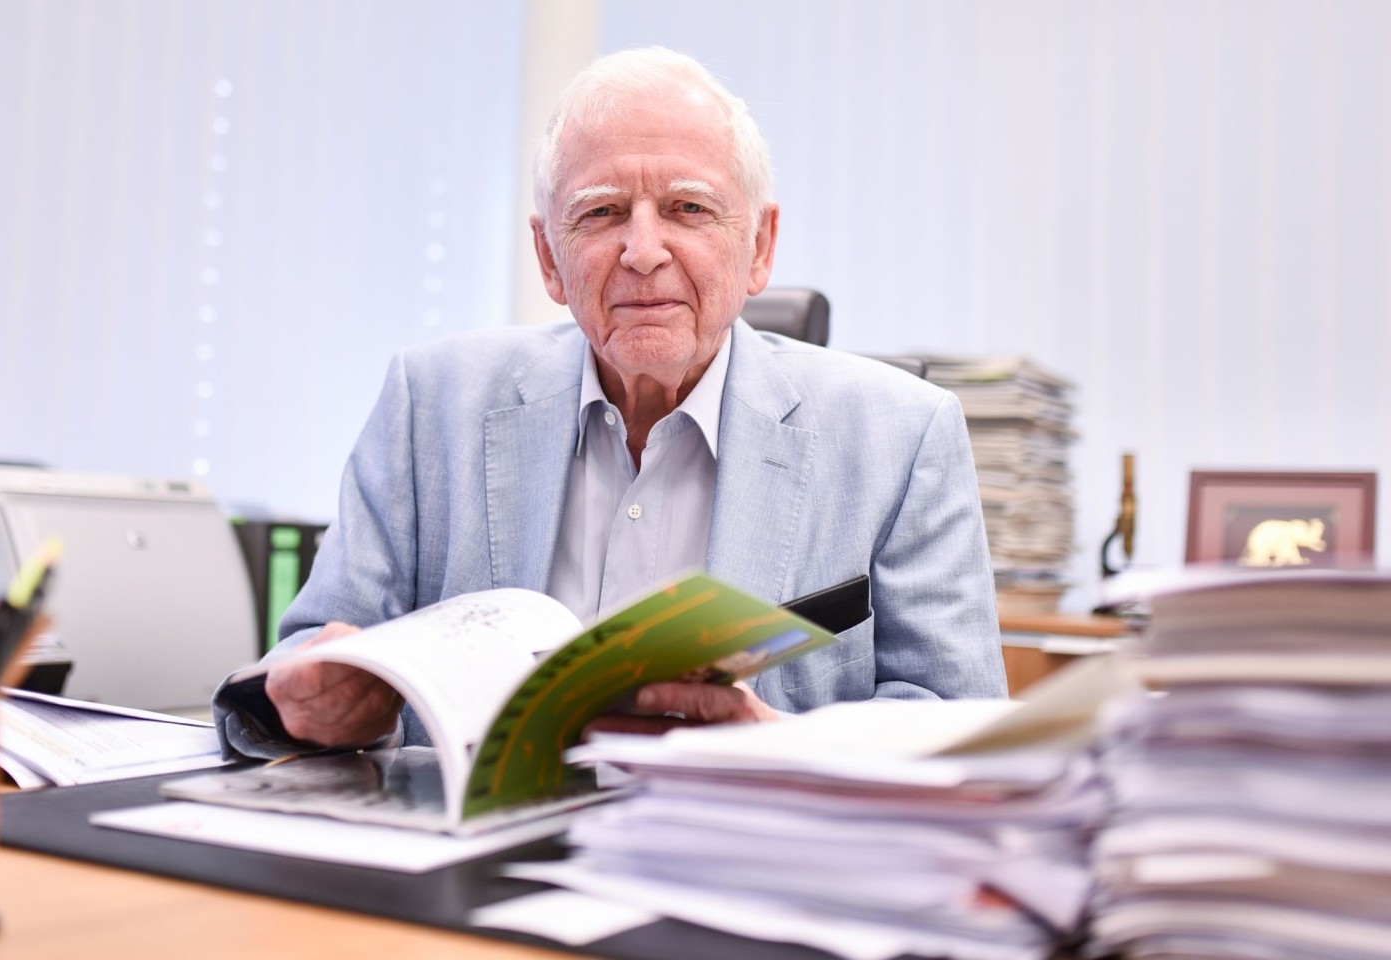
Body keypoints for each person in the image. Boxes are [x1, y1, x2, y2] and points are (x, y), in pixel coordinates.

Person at [215, 46, 1005, 759]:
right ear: (549, 258)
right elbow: (311, 648)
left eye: (689, 209)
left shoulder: (902, 434)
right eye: (601, 213)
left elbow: (963, 726)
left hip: (744, 872)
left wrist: (778, 747)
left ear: (758, 247)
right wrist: (311, 703)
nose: (643, 250)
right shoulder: (433, 401)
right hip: (471, 870)